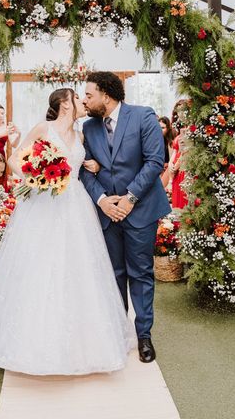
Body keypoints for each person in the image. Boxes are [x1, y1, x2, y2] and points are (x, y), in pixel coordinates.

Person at [0, 87, 133, 375]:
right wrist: (36, 176)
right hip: (44, 203)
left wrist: (95, 165)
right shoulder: (43, 128)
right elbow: (14, 160)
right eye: (78, 98)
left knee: (79, 267)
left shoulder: (83, 134)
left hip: (76, 205)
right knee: (39, 264)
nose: (83, 102)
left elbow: (87, 169)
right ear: (64, 104)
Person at [80, 72, 171, 364]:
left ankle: (144, 335)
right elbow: (83, 169)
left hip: (140, 211)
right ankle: (118, 331)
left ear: (106, 95)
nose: (85, 100)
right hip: (107, 213)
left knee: (141, 273)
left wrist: (130, 199)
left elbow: (155, 161)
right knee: (114, 275)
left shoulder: (143, 116)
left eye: (89, 95)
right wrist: (103, 200)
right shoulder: (88, 127)